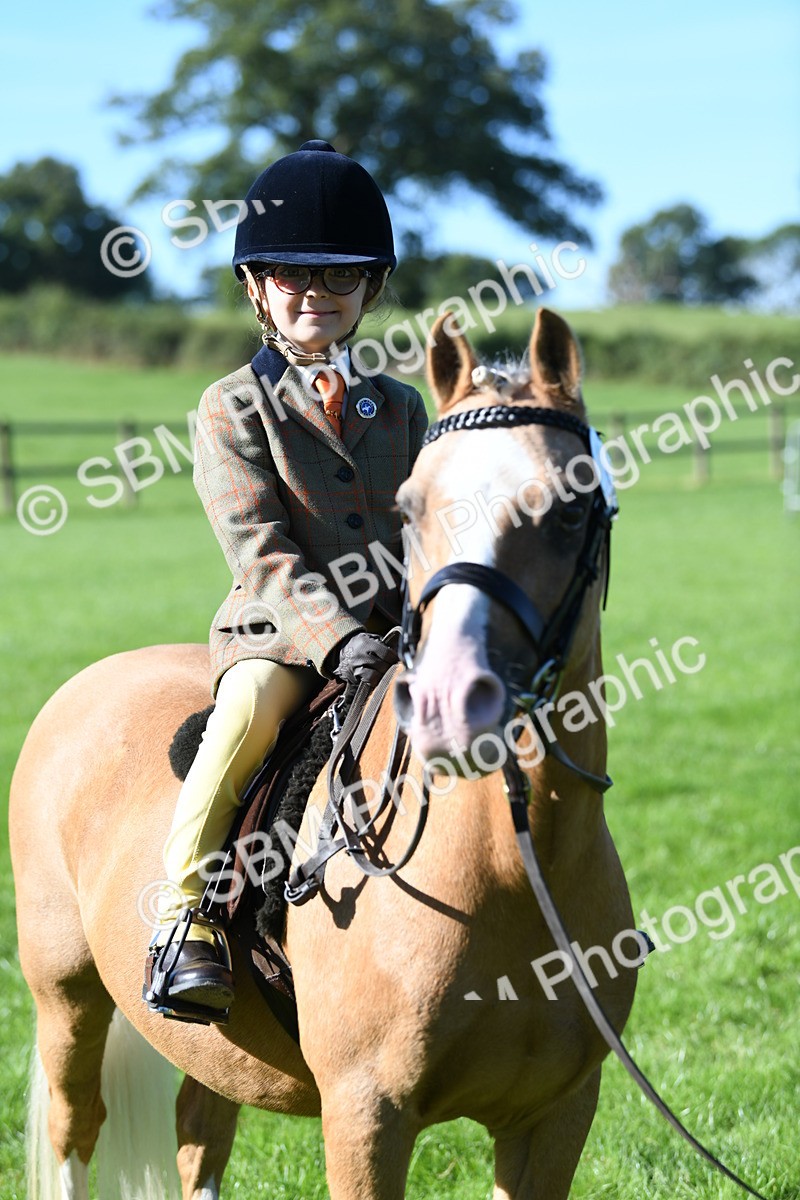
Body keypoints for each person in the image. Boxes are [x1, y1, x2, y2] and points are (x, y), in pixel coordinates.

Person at [143, 140, 428, 1023]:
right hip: (282, 635)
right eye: (291, 274)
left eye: (339, 277)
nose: (316, 294)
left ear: (368, 290)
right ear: (257, 287)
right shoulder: (231, 406)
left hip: (397, 630)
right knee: (251, 711)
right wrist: (340, 640)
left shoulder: (404, 406)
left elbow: (428, 526)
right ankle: (183, 913)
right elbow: (259, 550)